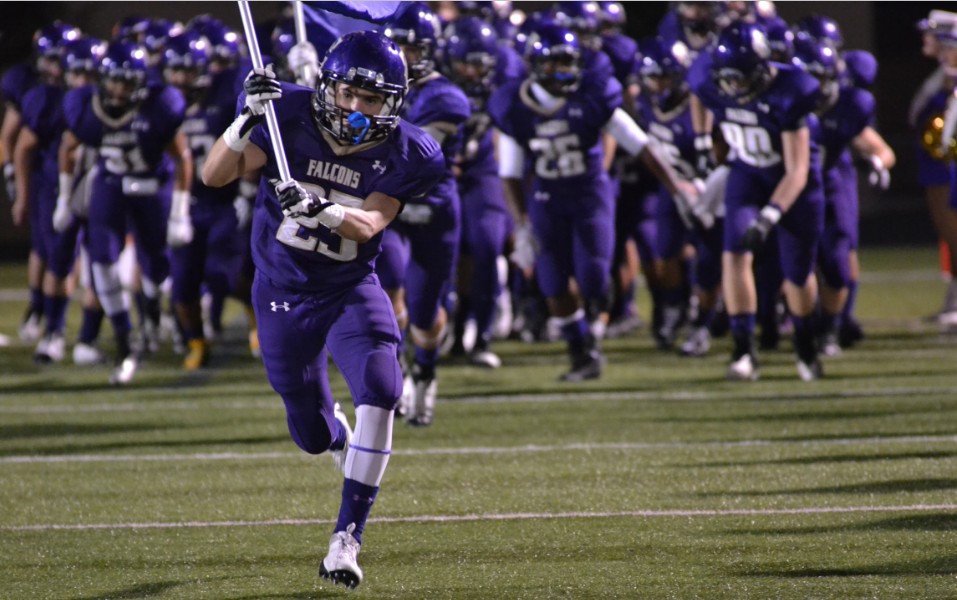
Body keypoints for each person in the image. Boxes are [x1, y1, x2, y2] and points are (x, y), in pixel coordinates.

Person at [201, 30, 444, 588]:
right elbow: (215, 175)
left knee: (382, 389)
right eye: (348, 93)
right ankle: (336, 436)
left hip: (349, 287)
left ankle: (345, 541)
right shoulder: (286, 114)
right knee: (310, 433)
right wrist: (244, 120)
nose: (356, 108)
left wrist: (322, 209)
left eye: (372, 99)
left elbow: (369, 223)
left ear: (393, 103)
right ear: (327, 87)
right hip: (283, 290)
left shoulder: (409, 151)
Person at [489, 23, 698, 381]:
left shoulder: (592, 94)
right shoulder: (514, 105)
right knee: (552, 284)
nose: (565, 71)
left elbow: (642, 146)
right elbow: (509, 173)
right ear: (536, 64)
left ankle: (593, 330)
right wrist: (521, 223)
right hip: (547, 198)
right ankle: (581, 351)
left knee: (594, 278)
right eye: (556, 63)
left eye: (569, 62)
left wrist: (677, 188)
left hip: (590, 193)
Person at [688, 20, 825, 381]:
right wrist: (702, 140)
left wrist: (769, 217)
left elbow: (797, 171)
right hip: (747, 175)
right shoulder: (708, 79)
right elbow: (698, 93)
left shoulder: (791, 90)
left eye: (742, 78)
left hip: (794, 186)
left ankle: (805, 345)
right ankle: (743, 351)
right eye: (728, 79)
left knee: (797, 274)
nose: (734, 87)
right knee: (733, 255)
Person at [61, 40, 193, 385]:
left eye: (126, 81)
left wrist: (180, 213)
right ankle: (124, 339)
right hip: (111, 184)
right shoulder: (85, 107)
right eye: (113, 80)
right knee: (101, 260)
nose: (119, 89)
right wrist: (63, 199)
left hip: (153, 185)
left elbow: (182, 157)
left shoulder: (159, 105)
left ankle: (151, 309)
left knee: (156, 263)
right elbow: (68, 147)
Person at [383, 3, 471, 426]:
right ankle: (394, 372)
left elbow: (412, 154)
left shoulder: (446, 98)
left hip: (433, 211)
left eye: (410, 48)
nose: (401, 56)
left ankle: (427, 372)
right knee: (386, 288)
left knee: (423, 310)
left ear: (429, 51)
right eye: (394, 46)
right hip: (389, 208)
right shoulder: (369, 87)